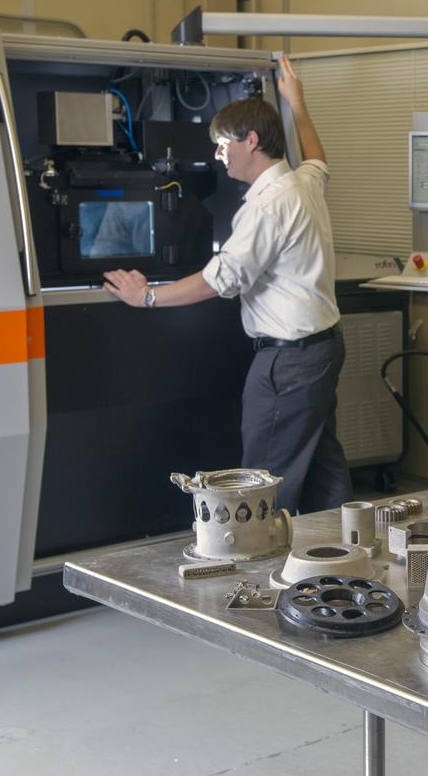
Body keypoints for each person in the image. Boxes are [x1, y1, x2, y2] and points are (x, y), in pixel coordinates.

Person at [104, 55, 351, 514]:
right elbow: (317, 158)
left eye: (223, 145)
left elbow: (221, 280)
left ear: (251, 140)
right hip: (322, 350)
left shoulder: (268, 206)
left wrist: (146, 297)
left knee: (263, 478)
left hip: (287, 361)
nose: (218, 156)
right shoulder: (303, 184)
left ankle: (258, 573)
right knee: (320, 465)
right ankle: (340, 556)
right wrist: (298, 106)